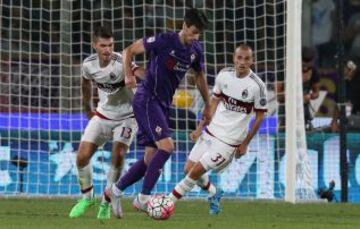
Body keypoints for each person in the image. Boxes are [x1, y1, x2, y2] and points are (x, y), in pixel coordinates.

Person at [103, 8, 211, 218]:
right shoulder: (164, 40)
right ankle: (143, 199)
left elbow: (199, 77)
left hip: (162, 104)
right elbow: (129, 50)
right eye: (193, 32)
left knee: (149, 160)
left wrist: (207, 105)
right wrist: (128, 75)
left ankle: (114, 192)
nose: (195, 37)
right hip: (147, 98)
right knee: (168, 146)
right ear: (184, 26)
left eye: (199, 34)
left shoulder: (196, 50)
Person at [168, 44, 267, 214]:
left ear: (252, 60)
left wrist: (245, 143)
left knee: (197, 170)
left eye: (246, 58)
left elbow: (259, 117)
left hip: (230, 141)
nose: (242, 62)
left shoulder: (257, 86)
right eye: (239, 58)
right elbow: (213, 103)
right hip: (212, 131)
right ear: (234, 58)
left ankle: (168, 202)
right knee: (188, 169)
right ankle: (214, 192)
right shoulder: (224, 75)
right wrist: (200, 127)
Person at [69, 25, 144, 219]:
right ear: (94, 45)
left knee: (118, 155)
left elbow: (137, 72)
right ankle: (87, 198)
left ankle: (106, 202)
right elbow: (85, 83)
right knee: (81, 157)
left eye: (110, 45)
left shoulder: (121, 62)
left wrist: (152, 77)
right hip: (103, 114)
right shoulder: (88, 64)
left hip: (128, 116)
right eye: (103, 45)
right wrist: (87, 108)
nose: (107, 50)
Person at [275, 46, 320, 131]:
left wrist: (309, 96)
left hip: (304, 112)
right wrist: (294, 96)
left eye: (308, 66)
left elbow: (316, 93)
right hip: (286, 112)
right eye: (303, 65)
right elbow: (279, 97)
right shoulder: (283, 69)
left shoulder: (313, 71)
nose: (305, 68)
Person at [331, 60, 360, 132]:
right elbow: (337, 104)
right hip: (347, 121)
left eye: (342, 69)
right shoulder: (341, 83)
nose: (339, 72)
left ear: (351, 69)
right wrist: (334, 121)